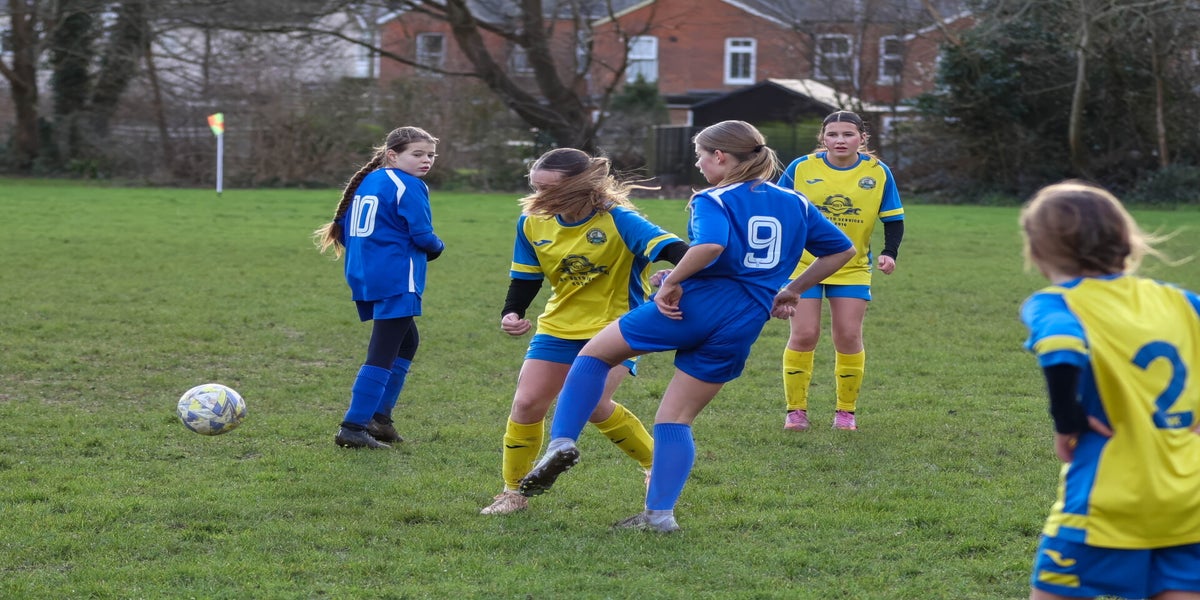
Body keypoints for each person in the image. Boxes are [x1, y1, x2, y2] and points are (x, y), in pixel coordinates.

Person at [516, 120, 856, 532]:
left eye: (700, 156)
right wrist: (791, 290)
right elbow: (842, 250)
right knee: (675, 419)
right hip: (746, 320)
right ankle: (659, 516)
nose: (698, 164)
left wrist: (672, 281)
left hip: (693, 307)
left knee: (593, 356)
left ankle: (562, 442)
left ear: (720, 157)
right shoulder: (796, 201)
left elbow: (710, 246)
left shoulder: (713, 198)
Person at [480, 148, 688, 515]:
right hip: (558, 326)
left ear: (580, 186)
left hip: (616, 328)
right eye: (535, 187)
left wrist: (675, 277)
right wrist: (512, 312)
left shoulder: (619, 220)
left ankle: (654, 465)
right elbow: (525, 277)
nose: (538, 196)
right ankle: (513, 493)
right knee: (526, 404)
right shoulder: (531, 222)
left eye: (549, 189)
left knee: (593, 404)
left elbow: (677, 250)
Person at [1019, 181, 1200, 600]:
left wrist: (1067, 420)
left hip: (1110, 496)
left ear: (1037, 250)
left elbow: (1060, 347)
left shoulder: (1056, 303)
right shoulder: (1181, 301)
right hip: (1190, 494)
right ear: (1127, 239)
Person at [313, 126, 445, 449]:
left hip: (366, 274)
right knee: (383, 350)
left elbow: (343, 229)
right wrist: (438, 247)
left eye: (430, 155)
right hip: (396, 277)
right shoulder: (409, 184)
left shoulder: (370, 180)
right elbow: (423, 236)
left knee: (407, 342)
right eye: (417, 154)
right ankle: (354, 426)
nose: (426, 160)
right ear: (392, 155)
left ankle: (380, 419)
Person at [777, 110, 905, 432]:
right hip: (803, 267)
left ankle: (846, 412)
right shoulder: (801, 168)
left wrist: (889, 253)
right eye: (832, 134)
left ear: (862, 137)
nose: (840, 140)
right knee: (804, 334)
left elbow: (893, 219)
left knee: (848, 335)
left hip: (852, 267)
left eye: (848, 134)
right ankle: (796, 411)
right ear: (823, 138)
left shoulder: (878, 172)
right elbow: (777, 210)